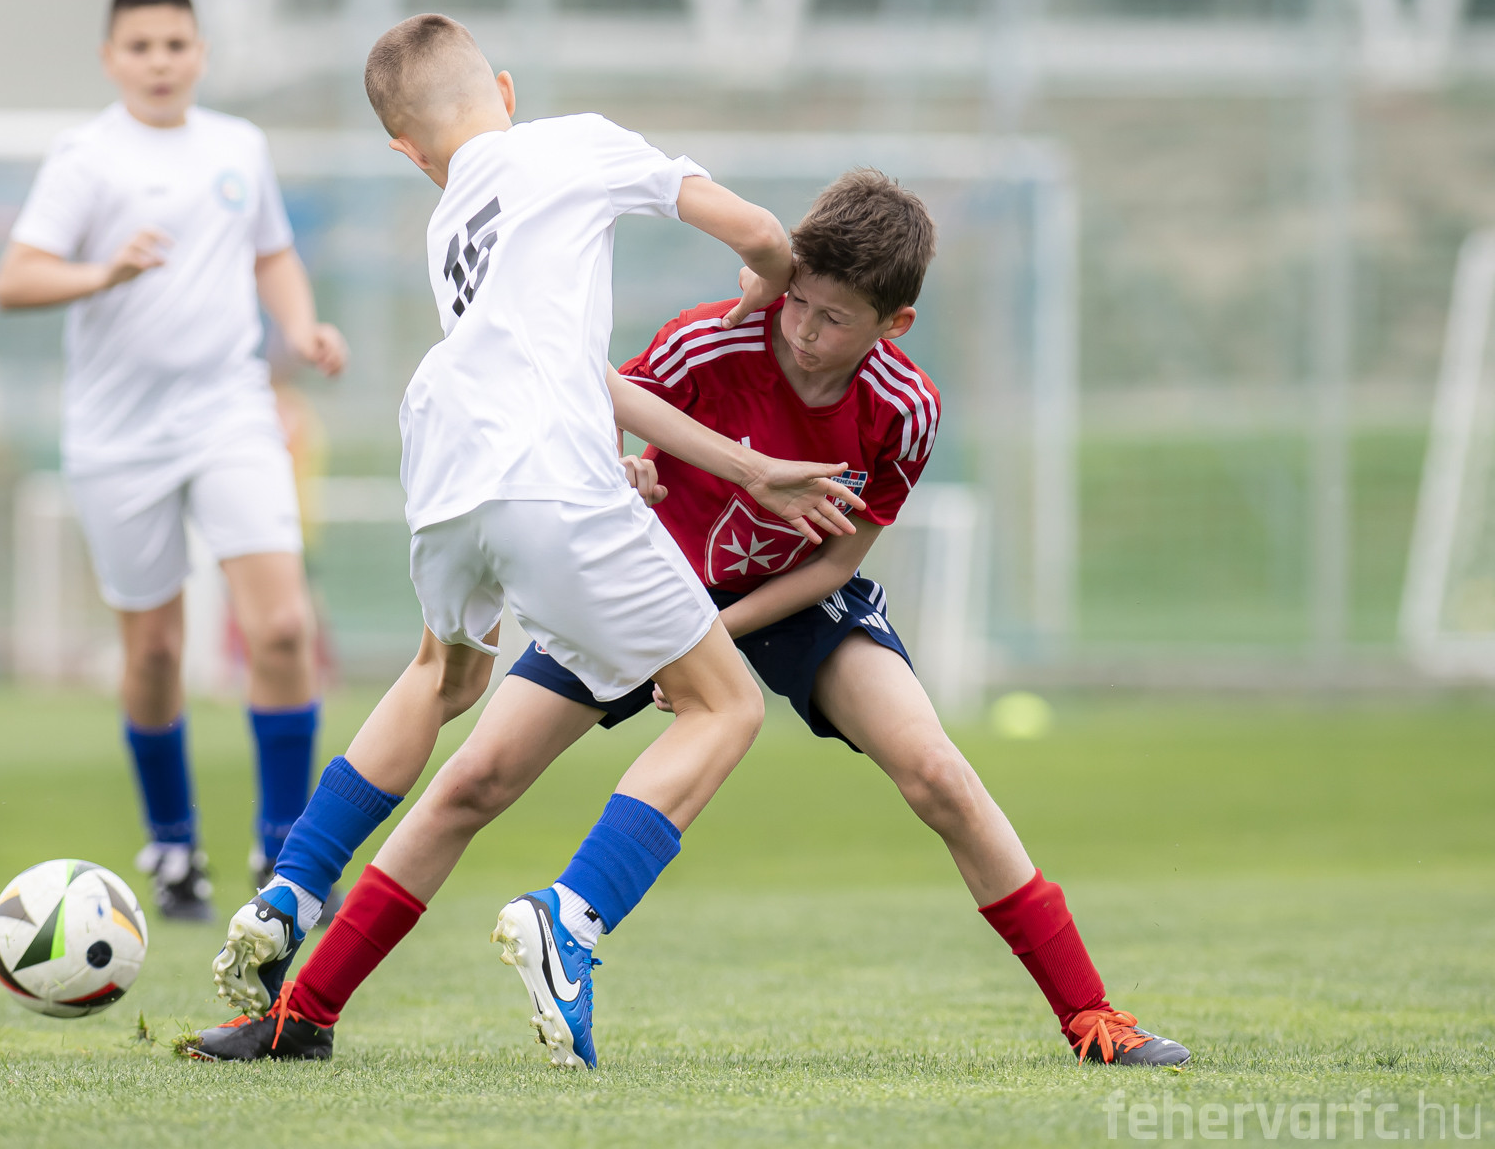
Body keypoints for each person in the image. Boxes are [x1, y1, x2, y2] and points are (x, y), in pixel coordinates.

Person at [187, 170, 1193, 1070]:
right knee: (473, 780)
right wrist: (623, 469)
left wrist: (715, 640)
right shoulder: (712, 340)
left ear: (896, 323)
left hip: (792, 596)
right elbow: (591, 402)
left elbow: (839, 558)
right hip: (641, 580)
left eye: (834, 318)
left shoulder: (905, 408)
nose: (803, 330)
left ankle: (1093, 1016)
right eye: (798, 299)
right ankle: (305, 1014)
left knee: (939, 774)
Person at [180, 13, 860, 1061]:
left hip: (446, 463)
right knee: (722, 705)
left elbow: (548, 360)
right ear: (503, 87)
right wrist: (764, 282)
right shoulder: (573, 141)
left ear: (407, 150)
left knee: (441, 679)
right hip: (551, 482)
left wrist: (683, 458)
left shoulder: (448, 219)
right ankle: (570, 917)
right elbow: (765, 234)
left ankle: (292, 888)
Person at [0, 0, 345, 921]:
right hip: (118, 436)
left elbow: (272, 252)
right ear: (111, 59)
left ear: (201, 54)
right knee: (154, 653)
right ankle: (175, 848)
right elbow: (14, 279)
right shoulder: (86, 159)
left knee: (282, 628)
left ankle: (286, 856)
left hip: (230, 411)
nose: (160, 62)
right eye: (141, 47)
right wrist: (101, 272)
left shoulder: (239, 146)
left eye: (176, 45)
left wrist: (301, 327)